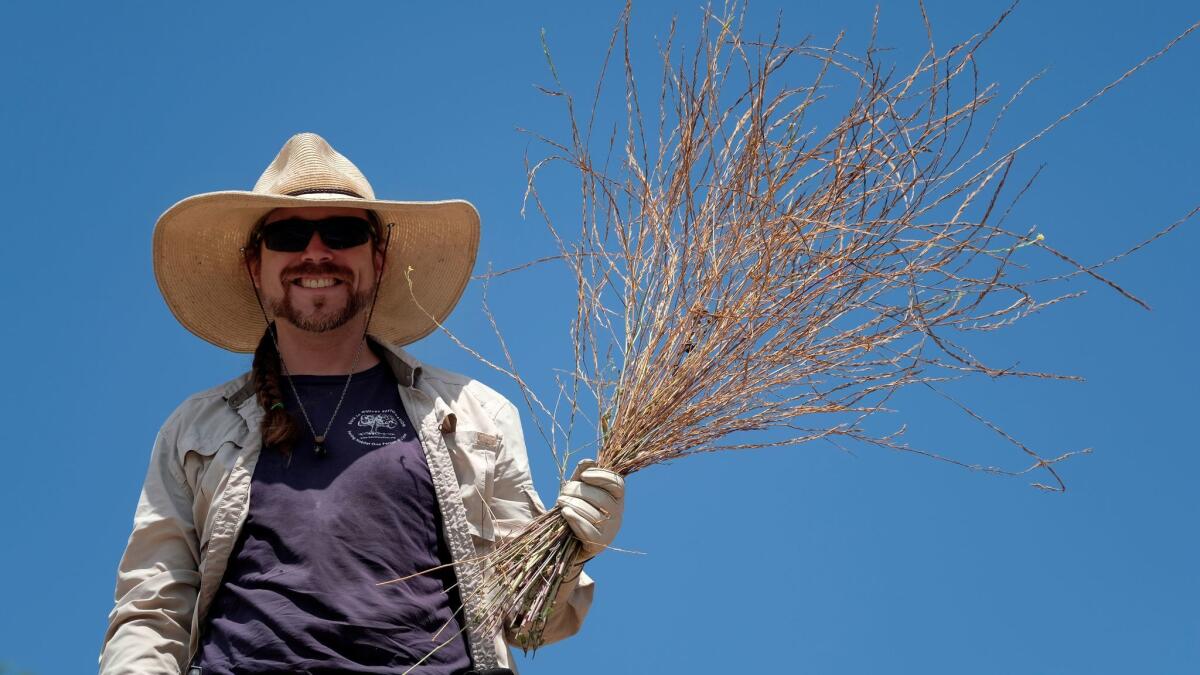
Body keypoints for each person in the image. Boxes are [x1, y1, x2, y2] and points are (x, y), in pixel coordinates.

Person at [99, 132, 624, 674]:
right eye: (289, 234)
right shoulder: (196, 431)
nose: (315, 251)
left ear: (378, 258)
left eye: (344, 230)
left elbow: (529, 618)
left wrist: (572, 546)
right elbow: (152, 611)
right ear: (256, 266)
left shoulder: (477, 417)